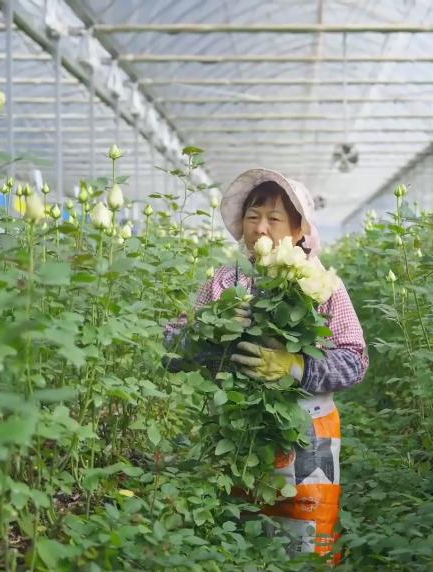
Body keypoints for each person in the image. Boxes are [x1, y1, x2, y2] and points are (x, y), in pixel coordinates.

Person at [163, 168, 368, 562]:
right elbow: (173, 347)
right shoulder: (224, 283)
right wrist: (213, 329)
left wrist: (295, 365)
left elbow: (355, 361)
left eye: (274, 218)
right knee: (238, 538)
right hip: (235, 434)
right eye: (253, 216)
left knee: (307, 541)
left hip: (307, 435)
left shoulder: (322, 284)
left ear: (298, 229)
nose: (260, 228)